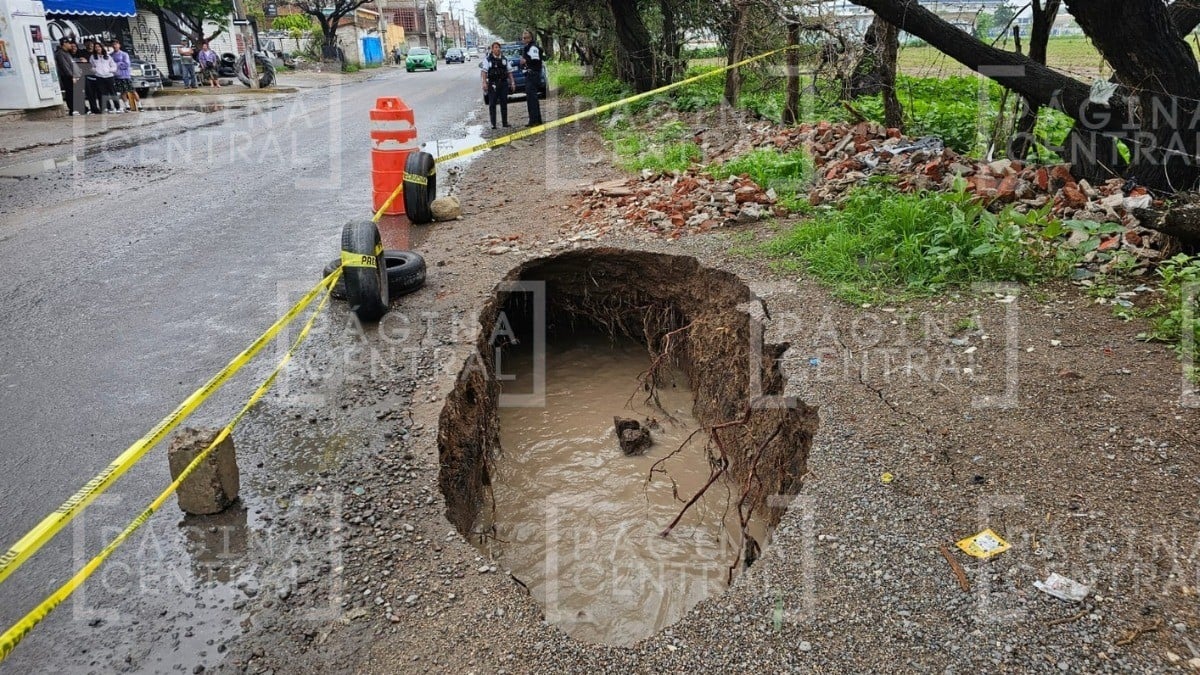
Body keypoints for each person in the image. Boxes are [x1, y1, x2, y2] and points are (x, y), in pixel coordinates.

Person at [480, 41, 515, 129]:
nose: (497, 49)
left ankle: (505, 122)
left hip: (503, 83)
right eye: (495, 47)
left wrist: (512, 82)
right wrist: (484, 83)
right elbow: (484, 72)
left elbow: (509, 72)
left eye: (498, 47)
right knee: (492, 104)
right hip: (493, 84)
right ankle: (493, 124)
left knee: (504, 103)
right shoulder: (488, 60)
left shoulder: (504, 59)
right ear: (492, 49)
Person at [518, 30, 544, 127]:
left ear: (531, 38)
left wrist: (526, 60)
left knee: (532, 98)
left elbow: (536, 60)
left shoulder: (532, 47)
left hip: (533, 75)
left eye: (526, 37)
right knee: (531, 98)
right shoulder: (527, 47)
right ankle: (534, 119)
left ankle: (534, 121)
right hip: (529, 75)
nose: (524, 39)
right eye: (523, 38)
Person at [54, 37, 83, 115]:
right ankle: (73, 109)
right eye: (69, 43)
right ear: (64, 43)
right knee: (70, 93)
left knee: (75, 93)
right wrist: (71, 76)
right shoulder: (60, 53)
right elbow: (65, 66)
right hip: (68, 77)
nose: (71, 45)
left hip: (73, 76)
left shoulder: (66, 53)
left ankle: (78, 108)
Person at [88, 42, 119, 113]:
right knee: (103, 94)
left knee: (113, 93)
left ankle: (117, 107)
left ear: (101, 47)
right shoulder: (93, 57)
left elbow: (113, 65)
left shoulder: (108, 56)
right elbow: (91, 66)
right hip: (100, 77)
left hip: (109, 77)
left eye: (99, 47)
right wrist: (96, 71)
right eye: (96, 47)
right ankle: (108, 108)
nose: (97, 48)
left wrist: (109, 71)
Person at [109, 39, 139, 111]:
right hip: (117, 76)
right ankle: (127, 105)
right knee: (122, 92)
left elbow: (126, 64)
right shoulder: (111, 55)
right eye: (113, 44)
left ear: (119, 45)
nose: (114, 46)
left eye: (116, 44)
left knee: (132, 90)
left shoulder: (124, 54)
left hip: (125, 75)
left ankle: (139, 104)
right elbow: (110, 65)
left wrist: (116, 65)